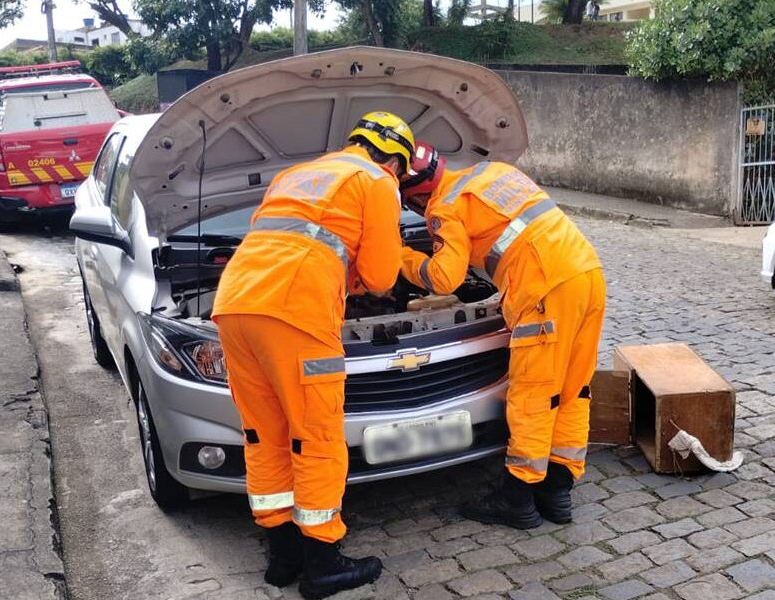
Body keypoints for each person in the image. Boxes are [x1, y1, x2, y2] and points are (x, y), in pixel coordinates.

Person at [212, 112, 414, 599]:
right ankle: (324, 562)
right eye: (401, 172)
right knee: (317, 436)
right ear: (394, 159)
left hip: (235, 304)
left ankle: (282, 555)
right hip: (295, 311)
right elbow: (383, 275)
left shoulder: (296, 174)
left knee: (264, 433)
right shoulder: (377, 180)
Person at [399, 142, 606, 529]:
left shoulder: (444, 207)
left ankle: (517, 499)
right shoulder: (493, 173)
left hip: (544, 289)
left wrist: (401, 256)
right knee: (573, 387)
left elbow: (446, 278)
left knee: (533, 393)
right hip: (586, 273)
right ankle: (557, 491)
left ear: (416, 197)